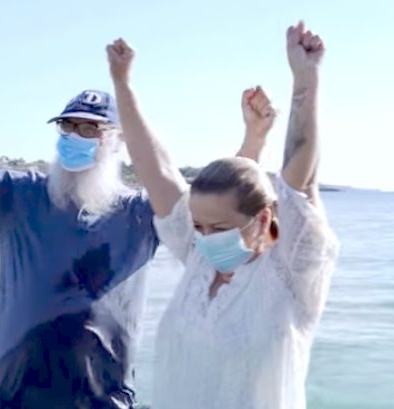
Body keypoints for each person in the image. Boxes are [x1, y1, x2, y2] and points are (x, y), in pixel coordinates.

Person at [0, 52, 273, 408]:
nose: (76, 136)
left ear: (117, 141)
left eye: (90, 129)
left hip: (104, 400)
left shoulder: (141, 214)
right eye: (68, 127)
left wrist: (253, 139)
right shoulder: (17, 197)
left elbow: (217, 206)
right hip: (14, 398)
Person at [106, 21, 339, 409]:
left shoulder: (292, 270)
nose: (205, 236)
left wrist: (305, 79)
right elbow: (155, 169)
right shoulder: (199, 259)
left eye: (219, 228)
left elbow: (301, 175)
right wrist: (122, 83)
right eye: (199, 226)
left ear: (263, 220)